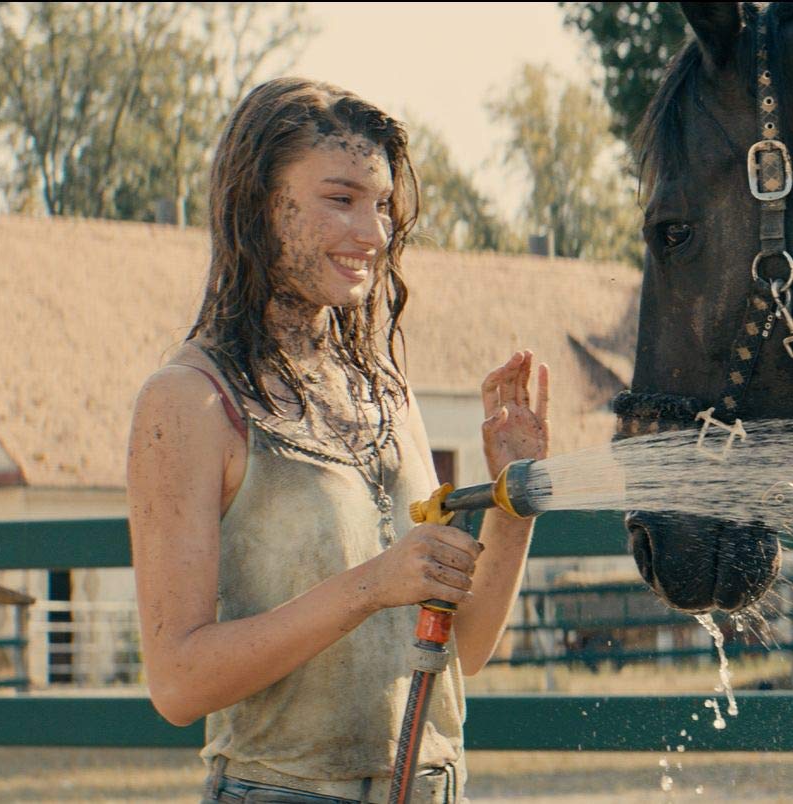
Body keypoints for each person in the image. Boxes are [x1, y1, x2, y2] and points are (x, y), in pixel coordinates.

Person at [126, 76, 549, 803]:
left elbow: (467, 649)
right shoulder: (189, 402)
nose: (375, 233)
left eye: (381, 204)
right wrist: (371, 586)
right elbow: (178, 682)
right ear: (259, 204)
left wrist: (513, 501)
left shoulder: (386, 391)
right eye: (341, 199)